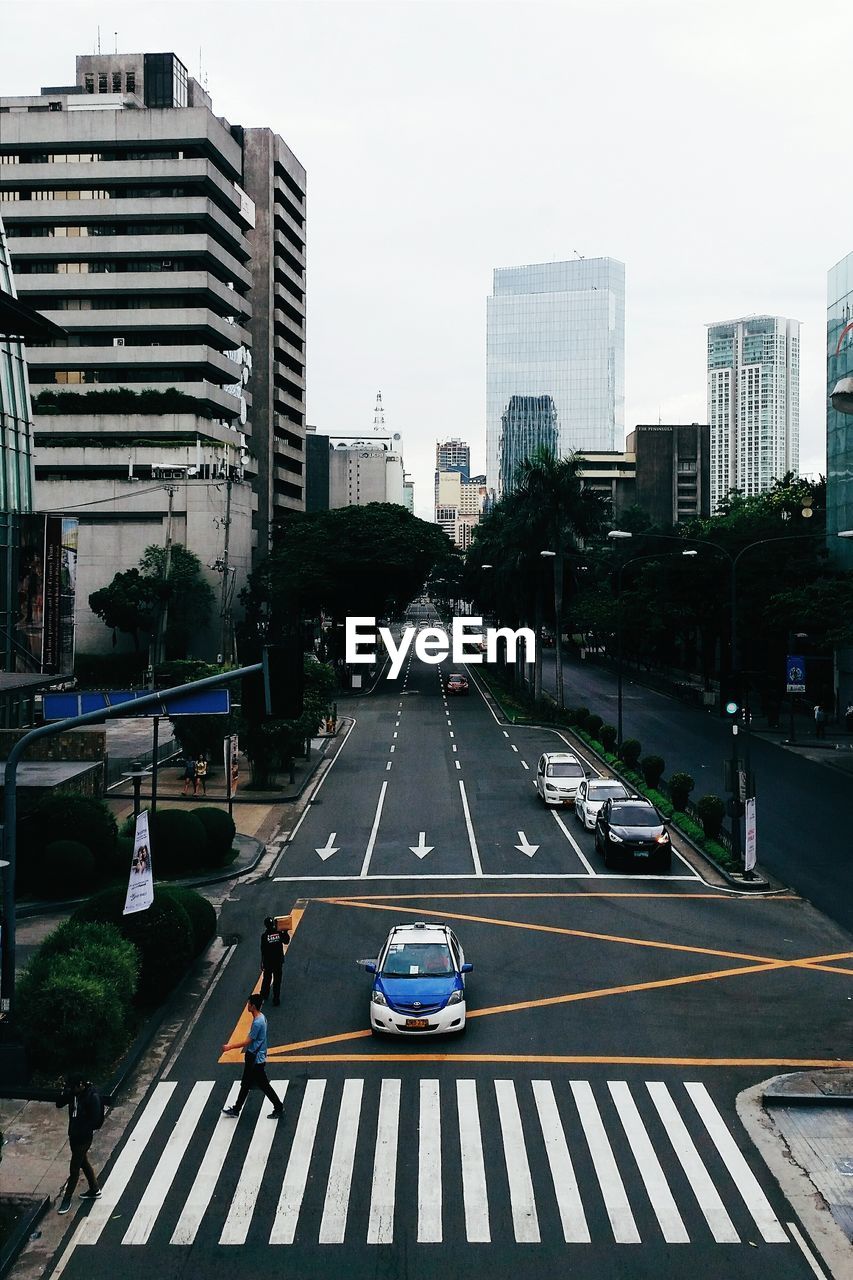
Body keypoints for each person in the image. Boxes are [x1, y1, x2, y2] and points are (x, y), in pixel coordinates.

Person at [221, 994, 283, 1118]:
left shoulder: (258, 1023)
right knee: (246, 1084)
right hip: (256, 1056)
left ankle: (278, 1107)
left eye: (249, 1004)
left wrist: (230, 1047)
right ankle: (236, 1109)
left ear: (253, 1006)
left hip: (255, 1059)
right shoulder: (262, 1017)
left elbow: (247, 1042)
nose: (247, 1006)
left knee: (263, 1085)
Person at [56, 1073, 103, 1213]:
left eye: (73, 1088)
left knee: (74, 1169)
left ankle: (67, 1199)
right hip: (74, 1135)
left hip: (84, 1138)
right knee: (83, 1162)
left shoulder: (92, 1097)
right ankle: (94, 1189)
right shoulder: (73, 1093)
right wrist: (65, 1091)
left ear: (81, 1085)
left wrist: (82, 1126)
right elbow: (59, 1104)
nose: (72, 1090)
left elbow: (96, 1122)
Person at [260, 915, 290, 1006]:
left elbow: (263, 950)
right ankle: (276, 999)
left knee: (267, 979)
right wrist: (285, 932)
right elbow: (286, 941)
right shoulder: (279, 932)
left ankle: (264, 995)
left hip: (268, 962)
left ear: (265, 925)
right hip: (278, 962)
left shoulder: (264, 936)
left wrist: (262, 962)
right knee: (277, 981)